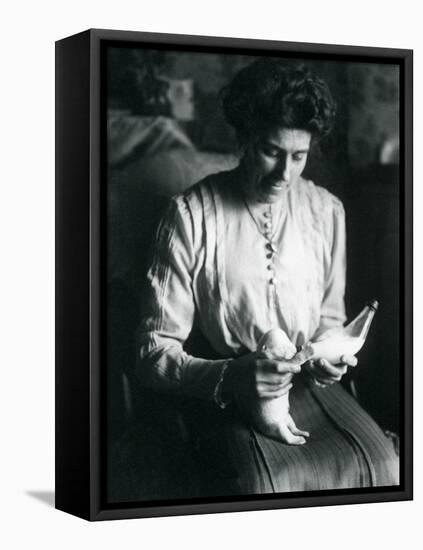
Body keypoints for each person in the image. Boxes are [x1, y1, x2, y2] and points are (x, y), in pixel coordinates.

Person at [135, 59, 399, 496]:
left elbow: (328, 320)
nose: (285, 173)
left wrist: (327, 359)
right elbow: (151, 353)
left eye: (298, 156)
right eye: (272, 151)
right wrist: (232, 377)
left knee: (383, 464)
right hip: (222, 392)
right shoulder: (190, 216)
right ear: (244, 137)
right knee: (268, 483)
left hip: (308, 386)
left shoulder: (326, 212)